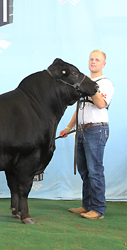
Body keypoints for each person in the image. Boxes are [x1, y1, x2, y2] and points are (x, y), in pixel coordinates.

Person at [59, 50, 114, 219]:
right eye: (91, 59)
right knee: (84, 170)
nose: (93, 62)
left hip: (96, 130)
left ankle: (98, 210)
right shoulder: (86, 82)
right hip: (82, 131)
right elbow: (79, 109)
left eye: (97, 60)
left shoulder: (105, 83)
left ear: (103, 64)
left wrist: (90, 89)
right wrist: (68, 128)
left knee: (95, 170)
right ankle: (87, 205)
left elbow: (100, 104)